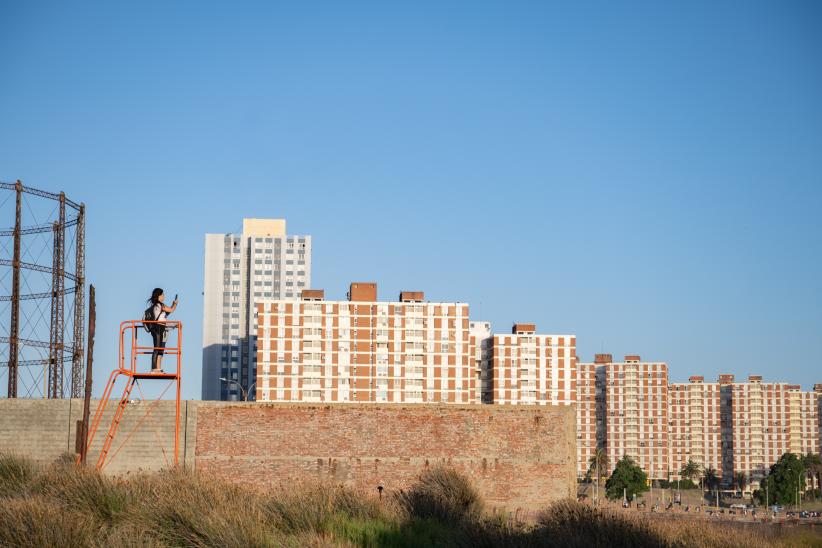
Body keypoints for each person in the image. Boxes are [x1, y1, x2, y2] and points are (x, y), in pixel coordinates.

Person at [147, 288, 178, 372]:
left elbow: (166, 313)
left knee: (158, 348)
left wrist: (173, 305)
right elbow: (171, 310)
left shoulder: (156, 306)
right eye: (163, 294)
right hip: (158, 327)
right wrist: (175, 304)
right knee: (157, 348)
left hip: (158, 327)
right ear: (159, 296)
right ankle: (154, 369)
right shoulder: (160, 305)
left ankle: (157, 368)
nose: (164, 296)